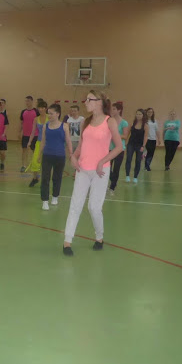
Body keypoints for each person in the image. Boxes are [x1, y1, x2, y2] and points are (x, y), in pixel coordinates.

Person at [63, 90, 123, 256]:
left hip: (100, 172)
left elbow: (119, 147)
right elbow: (81, 146)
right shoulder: (86, 122)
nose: (86, 102)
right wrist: (73, 157)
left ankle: (99, 237)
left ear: (99, 102)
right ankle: (67, 241)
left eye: (89, 99)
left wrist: (102, 161)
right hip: (82, 170)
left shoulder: (110, 121)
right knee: (75, 205)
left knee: (94, 208)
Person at [38, 103, 72, 210]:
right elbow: (43, 141)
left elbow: (68, 141)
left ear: (58, 114)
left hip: (60, 156)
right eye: (48, 113)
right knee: (45, 178)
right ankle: (45, 201)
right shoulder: (45, 126)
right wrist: (39, 155)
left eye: (51, 113)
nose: (49, 116)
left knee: (57, 177)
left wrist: (71, 154)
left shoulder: (65, 126)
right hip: (47, 155)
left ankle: (55, 196)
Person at [26, 99, 48, 187]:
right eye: (39, 108)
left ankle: (45, 180)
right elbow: (33, 132)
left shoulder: (50, 118)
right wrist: (29, 141)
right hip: (39, 142)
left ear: (45, 108)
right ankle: (35, 178)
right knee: (35, 161)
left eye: (42, 108)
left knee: (46, 162)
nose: (40, 109)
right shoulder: (36, 119)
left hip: (48, 143)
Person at [107, 102, 128, 195]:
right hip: (109, 148)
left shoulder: (124, 122)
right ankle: (112, 180)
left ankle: (112, 187)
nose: (112, 110)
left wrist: (115, 135)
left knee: (116, 168)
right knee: (107, 168)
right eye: (111, 109)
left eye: (114, 109)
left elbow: (125, 136)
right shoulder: (108, 121)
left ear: (119, 110)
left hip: (119, 149)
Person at [125, 109, 148, 184]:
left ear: (143, 115)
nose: (138, 115)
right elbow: (127, 133)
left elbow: (145, 137)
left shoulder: (145, 125)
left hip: (139, 145)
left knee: (138, 161)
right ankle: (127, 176)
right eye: (137, 114)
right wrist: (125, 142)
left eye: (140, 114)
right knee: (128, 159)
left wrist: (143, 146)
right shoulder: (132, 123)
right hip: (131, 144)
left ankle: (135, 177)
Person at [20, 95, 39, 172]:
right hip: (25, 135)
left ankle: (36, 165)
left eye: (28, 101)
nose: (27, 102)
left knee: (35, 151)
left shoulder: (36, 111)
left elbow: (39, 122)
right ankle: (23, 165)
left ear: (32, 101)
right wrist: (20, 132)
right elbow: (21, 123)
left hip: (35, 135)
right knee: (24, 150)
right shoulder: (23, 112)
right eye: (26, 101)